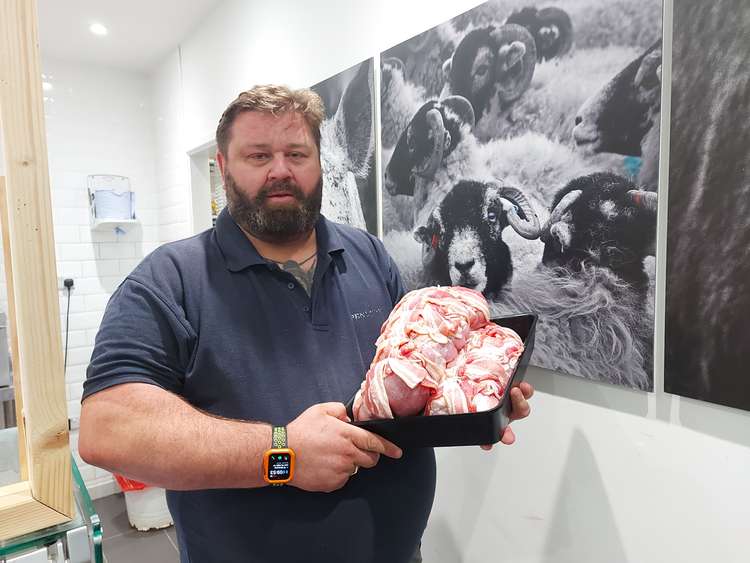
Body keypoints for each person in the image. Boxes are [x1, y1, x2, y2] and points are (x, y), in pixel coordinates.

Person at [78, 85, 534, 563]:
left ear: (320, 160)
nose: (280, 170)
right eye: (258, 155)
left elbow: (415, 375)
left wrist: (477, 398)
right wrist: (283, 455)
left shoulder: (368, 255)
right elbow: (108, 429)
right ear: (224, 164)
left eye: (297, 152)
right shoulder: (171, 279)